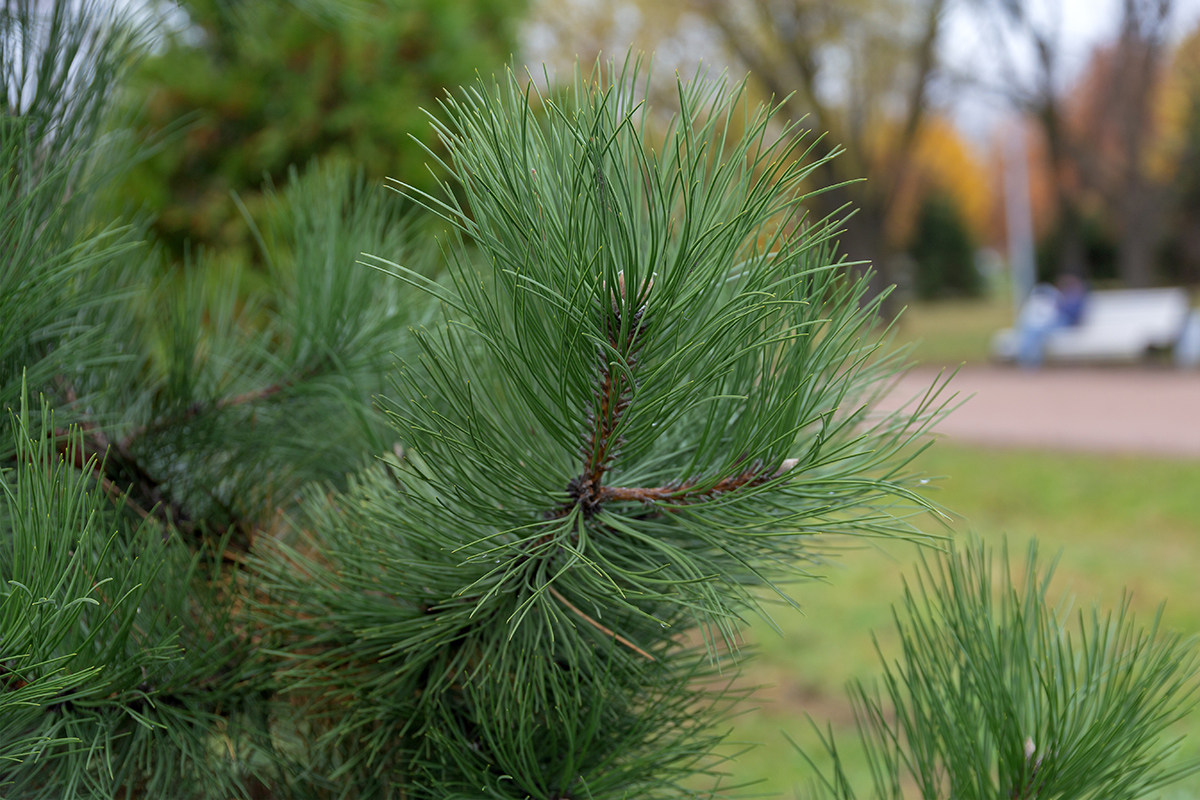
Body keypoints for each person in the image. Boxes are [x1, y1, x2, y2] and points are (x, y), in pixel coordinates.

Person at [1015, 274, 1088, 368]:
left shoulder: (1076, 297)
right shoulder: (1063, 296)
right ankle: (1028, 359)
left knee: (1038, 330)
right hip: (1055, 321)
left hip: (1066, 322)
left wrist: (1059, 306)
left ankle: (1029, 361)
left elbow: (1074, 314)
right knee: (1033, 329)